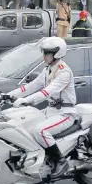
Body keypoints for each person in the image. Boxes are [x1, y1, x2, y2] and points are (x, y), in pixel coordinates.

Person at [7, 37, 77, 176]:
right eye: (44, 52)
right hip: (50, 111)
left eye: (47, 53)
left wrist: (26, 101)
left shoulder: (64, 72)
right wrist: (8, 95)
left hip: (65, 113)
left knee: (40, 131)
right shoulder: (48, 70)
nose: (44, 56)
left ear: (56, 53)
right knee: (24, 124)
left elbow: (47, 92)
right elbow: (30, 86)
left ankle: (60, 161)